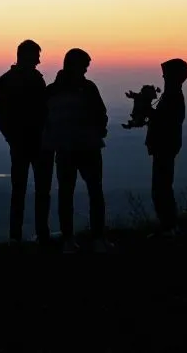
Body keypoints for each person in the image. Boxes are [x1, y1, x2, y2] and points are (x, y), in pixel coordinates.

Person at [43, 48, 109, 253]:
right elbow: (101, 115)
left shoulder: (52, 90)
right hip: (86, 147)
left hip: (66, 149)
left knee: (67, 194)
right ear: (75, 65)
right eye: (85, 66)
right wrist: (97, 130)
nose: (86, 70)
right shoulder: (88, 89)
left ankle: (69, 240)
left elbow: (45, 120)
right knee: (94, 192)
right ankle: (95, 239)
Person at [0, 40, 54, 245]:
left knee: (25, 191)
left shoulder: (14, 80)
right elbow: (3, 116)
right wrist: (14, 139)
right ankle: (31, 234)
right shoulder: (14, 81)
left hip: (33, 144)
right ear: (26, 56)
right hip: (30, 144)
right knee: (32, 191)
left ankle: (21, 235)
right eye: (36, 55)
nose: (39, 60)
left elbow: (2, 116)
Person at [145, 58, 187, 238]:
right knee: (162, 187)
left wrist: (147, 110)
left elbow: (166, 121)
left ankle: (169, 227)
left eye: (165, 74)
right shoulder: (172, 95)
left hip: (165, 147)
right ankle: (169, 226)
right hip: (165, 146)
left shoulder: (173, 97)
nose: (162, 76)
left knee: (161, 188)